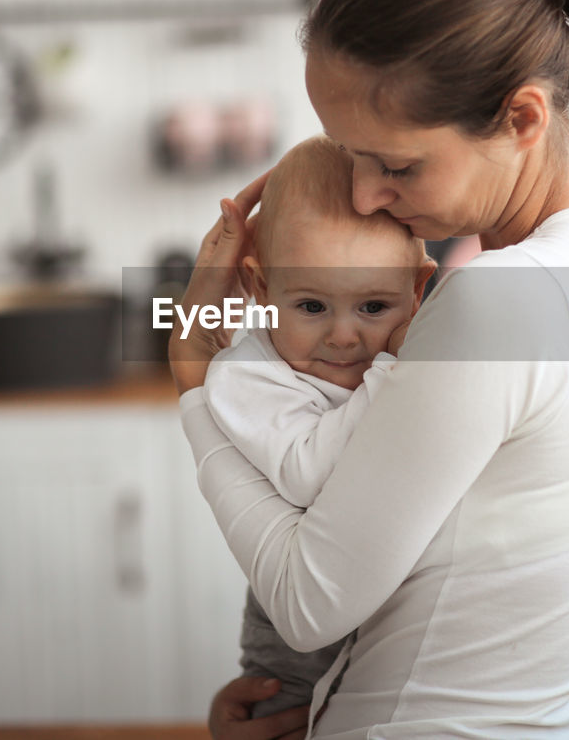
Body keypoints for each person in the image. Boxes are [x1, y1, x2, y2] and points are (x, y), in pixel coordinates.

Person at [170, 0, 569, 737]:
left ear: (522, 116)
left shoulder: (497, 301)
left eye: (396, 165)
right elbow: (459, 584)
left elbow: (306, 601)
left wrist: (194, 378)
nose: (366, 195)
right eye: (349, 156)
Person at [202, 134, 434, 719]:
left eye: (374, 308)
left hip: (397, 614)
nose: (344, 336)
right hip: (295, 648)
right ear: (260, 286)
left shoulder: (415, 352)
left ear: (418, 290)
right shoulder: (246, 375)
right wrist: (392, 374)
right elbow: (308, 475)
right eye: (311, 306)